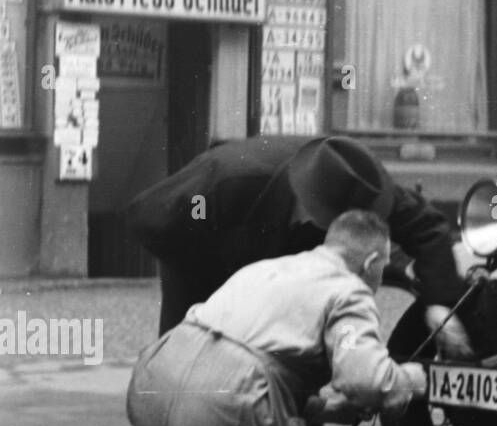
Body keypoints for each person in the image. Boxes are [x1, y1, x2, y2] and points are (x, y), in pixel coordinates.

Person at [121, 210, 429, 426]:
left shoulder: (271, 268)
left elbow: (257, 357)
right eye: (383, 267)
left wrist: (327, 410)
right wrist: (411, 379)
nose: (380, 278)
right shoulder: (349, 290)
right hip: (222, 401)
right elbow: (366, 379)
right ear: (370, 263)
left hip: (156, 381)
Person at [124, 134, 473, 357]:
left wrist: (440, 303)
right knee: (185, 361)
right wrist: (219, 288)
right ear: (315, 211)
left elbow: (429, 228)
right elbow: (147, 216)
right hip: (203, 256)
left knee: (297, 350)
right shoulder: (225, 179)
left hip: (277, 258)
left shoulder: (363, 182)